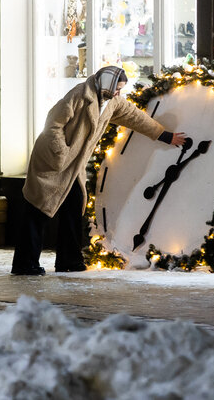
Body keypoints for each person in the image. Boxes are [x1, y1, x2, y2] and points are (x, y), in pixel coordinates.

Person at [12, 66, 187, 275]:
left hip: (73, 166)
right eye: (118, 88)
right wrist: (60, 153)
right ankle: (24, 264)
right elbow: (53, 123)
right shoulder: (79, 95)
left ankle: (69, 261)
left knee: (74, 207)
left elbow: (134, 117)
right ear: (108, 83)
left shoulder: (110, 102)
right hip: (51, 161)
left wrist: (164, 135)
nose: (118, 93)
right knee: (38, 210)